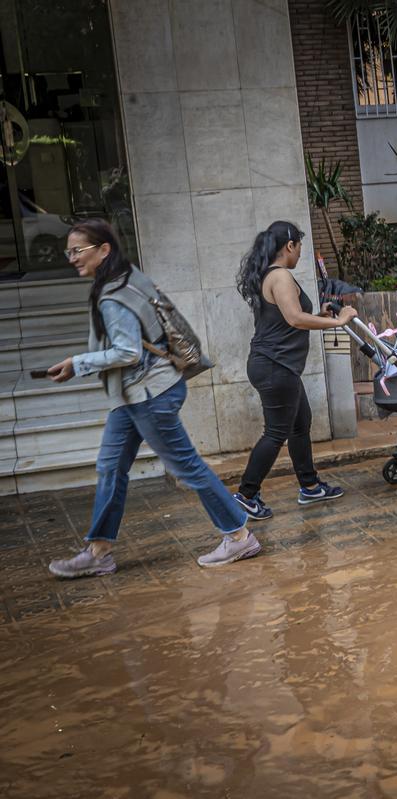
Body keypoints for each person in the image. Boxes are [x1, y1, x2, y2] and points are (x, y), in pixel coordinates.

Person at [45, 220, 257, 577]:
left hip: (149, 393)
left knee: (186, 466)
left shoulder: (113, 296)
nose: (72, 258)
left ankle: (238, 535)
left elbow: (127, 352)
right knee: (110, 467)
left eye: (77, 251)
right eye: (70, 251)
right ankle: (98, 552)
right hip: (133, 396)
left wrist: (77, 363)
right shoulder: (128, 278)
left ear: (103, 250)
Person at [232, 221, 356, 519]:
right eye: (299, 247)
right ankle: (246, 495)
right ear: (289, 246)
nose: (300, 253)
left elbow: (291, 319)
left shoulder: (271, 276)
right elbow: (295, 319)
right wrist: (338, 322)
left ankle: (310, 486)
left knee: (300, 423)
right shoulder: (281, 277)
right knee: (276, 432)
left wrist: (320, 316)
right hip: (275, 366)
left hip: (277, 365)